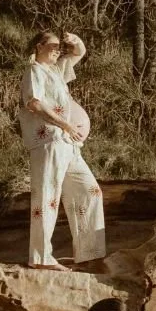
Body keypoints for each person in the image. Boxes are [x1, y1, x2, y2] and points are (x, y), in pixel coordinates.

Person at [18, 31, 105, 268]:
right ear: (39, 46)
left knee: (90, 191)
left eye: (59, 47)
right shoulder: (34, 70)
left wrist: (75, 40)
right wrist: (65, 124)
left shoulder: (56, 71)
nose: (58, 50)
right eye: (54, 46)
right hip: (48, 142)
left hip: (69, 144)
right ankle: (41, 257)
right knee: (47, 197)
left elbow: (79, 53)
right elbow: (34, 103)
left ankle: (90, 254)